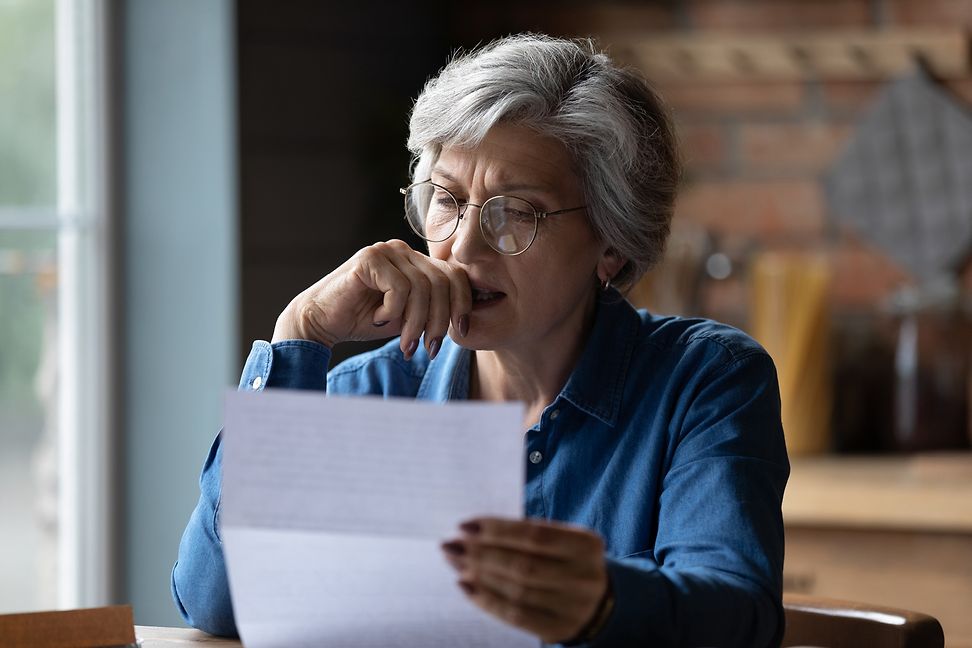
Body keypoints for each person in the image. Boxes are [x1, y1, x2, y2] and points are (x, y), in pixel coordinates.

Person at [172, 33, 789, 647]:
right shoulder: (373, 391)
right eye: (446, 200)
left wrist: (601, 602)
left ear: (612, 241)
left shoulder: (706, 381)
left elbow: (738, 617)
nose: (462, 248)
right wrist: (298, 334)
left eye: (515, 211)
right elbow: (217, 604)